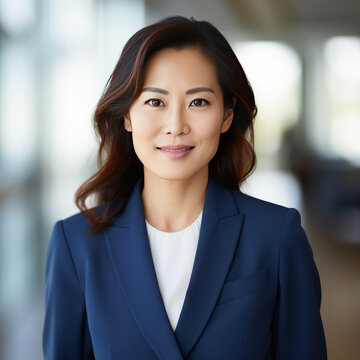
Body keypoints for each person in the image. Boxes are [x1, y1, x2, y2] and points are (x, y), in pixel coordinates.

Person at [42, 16, 327, 359]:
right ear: (127, 116)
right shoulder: (76, 245)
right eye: (155, 102)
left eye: (198, 102)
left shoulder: (277, 236)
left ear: (225, 115)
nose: (175, 126)